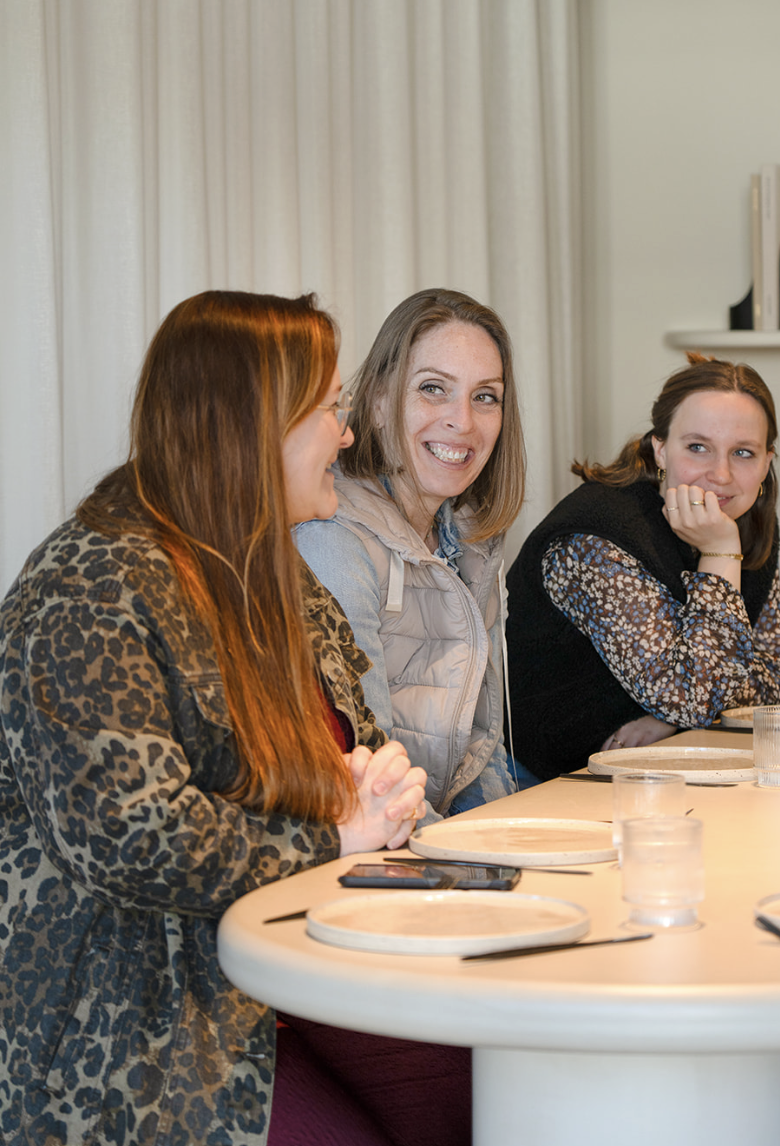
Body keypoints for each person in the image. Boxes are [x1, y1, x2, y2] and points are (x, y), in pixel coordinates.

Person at [0, 291, 474, 1146]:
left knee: (480, 1082)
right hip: (138, 1009)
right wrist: (334, 836)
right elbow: (134, 835)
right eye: (327, 409)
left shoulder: (271, 569)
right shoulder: (90, 587)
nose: (345, 436)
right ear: (251, 429)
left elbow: (361, 753)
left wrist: (386, 796)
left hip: (299, 952)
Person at [506, 352, 780, 782]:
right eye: (697, 447)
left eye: (743, 452)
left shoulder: (742, 524)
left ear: (766, 463)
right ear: (660, 449)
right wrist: (719, 553)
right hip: (541, 780)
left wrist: (668, 718)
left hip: (651, 772)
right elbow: (696, 698)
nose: (720, 474)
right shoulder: (595, 537)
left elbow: (777, 677)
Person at [295, 288, 526, 821]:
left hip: (443, 828)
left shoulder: (472, 536)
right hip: (387, 834)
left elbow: (482, 747)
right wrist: (465, 854)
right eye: (433, 389)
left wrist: (508, 835)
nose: (462, 421)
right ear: (378, 403)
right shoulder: (333, 539)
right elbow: (371, 770)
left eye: (485, 396)